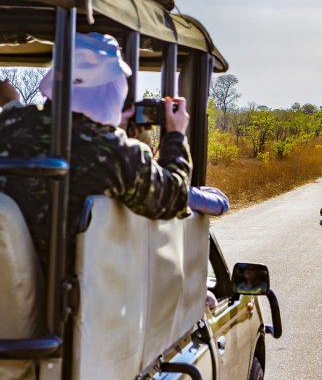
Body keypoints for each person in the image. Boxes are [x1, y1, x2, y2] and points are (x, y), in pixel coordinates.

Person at [0, 32, 192, 270]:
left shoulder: (8, 125)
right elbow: (174, 198)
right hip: (71, 300)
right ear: (112, 88)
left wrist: (113, 128)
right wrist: (175, 135)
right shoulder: (118, 153)